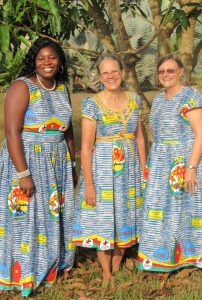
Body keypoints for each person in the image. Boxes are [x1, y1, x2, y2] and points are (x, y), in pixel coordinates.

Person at [0, 38, 77, 296]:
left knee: (52, 216)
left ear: (60, 62)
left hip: (57, 161)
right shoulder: (22, 86)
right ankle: (20, 272)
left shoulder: (61, 89)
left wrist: (73, 163)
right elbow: (12, 132)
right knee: (25, 218)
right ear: (33, 61)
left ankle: (51, 266)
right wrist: (23, 173)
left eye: (52, 58)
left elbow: (68, 130)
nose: (47, 63)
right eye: (41, 58)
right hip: (26, 160)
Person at [137, 54, 202, 272]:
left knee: (189, 208)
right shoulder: (158, 98)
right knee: (162, 209)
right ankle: (161, 255)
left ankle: (194, 255)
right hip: (161, 161)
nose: (165, 74)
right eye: (161, 71)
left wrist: (191, 168)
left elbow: (201, 132)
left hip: (186, 159)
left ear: (181, 71)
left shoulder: (190, 95)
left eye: (170, 70)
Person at [72, 53, 146, 287]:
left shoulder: (134, 99)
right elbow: (85, 147)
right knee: (105, 219)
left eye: (115, 71)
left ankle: (117, 262)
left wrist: (145, 170)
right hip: (103, 169)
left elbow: (140, 137)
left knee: (126, 215)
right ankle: (106, 272)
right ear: (100, 76)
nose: (111, 76)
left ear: (122, 72)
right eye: (105, 73)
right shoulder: (92, 103)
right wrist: (90, 184)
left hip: (130, 169)